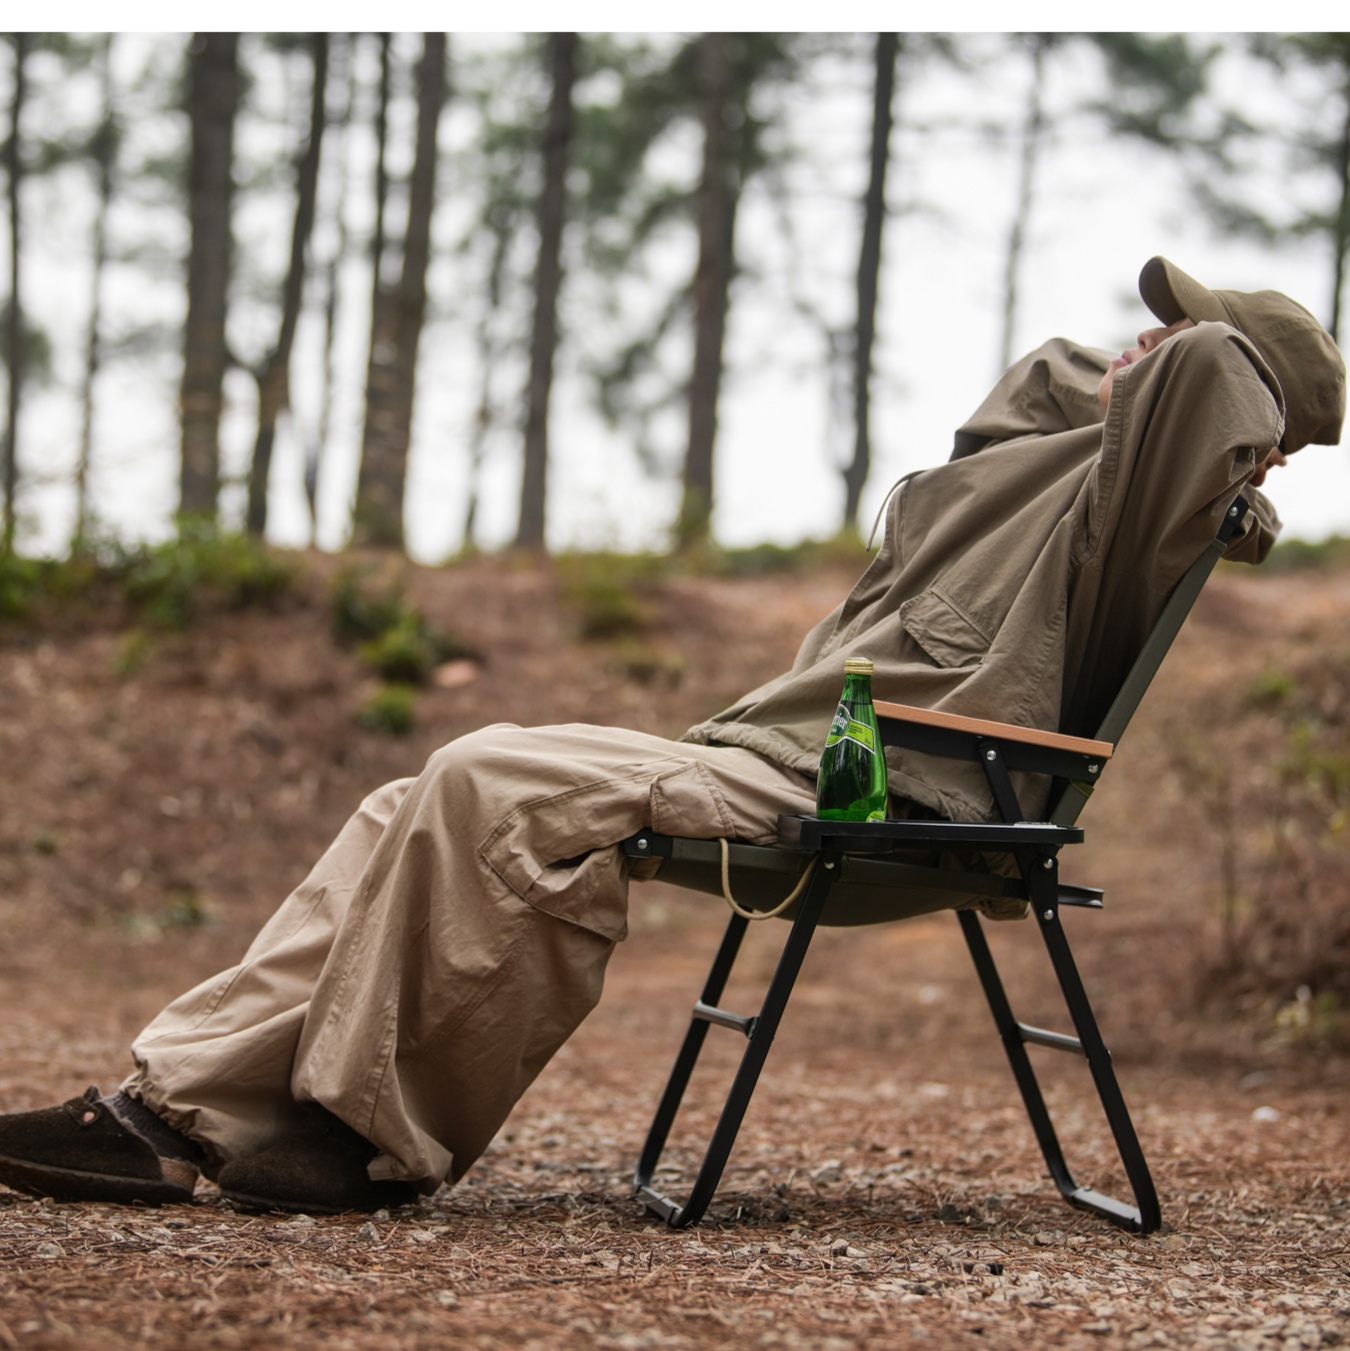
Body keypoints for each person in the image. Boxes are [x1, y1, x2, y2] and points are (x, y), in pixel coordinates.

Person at [0, 257, 1343, 1215]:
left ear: (1227, 412)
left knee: (489, 778)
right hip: (778, 760)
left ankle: (366, 1143)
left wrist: (1228, 360)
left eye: (1176, 344)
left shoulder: (1139, 518)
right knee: (406, 796)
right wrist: (1128, 370)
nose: (1141, 347)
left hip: (886, 799)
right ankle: (169, 1112)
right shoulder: (1047, 478)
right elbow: (1015, 409)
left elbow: (1224, 387)